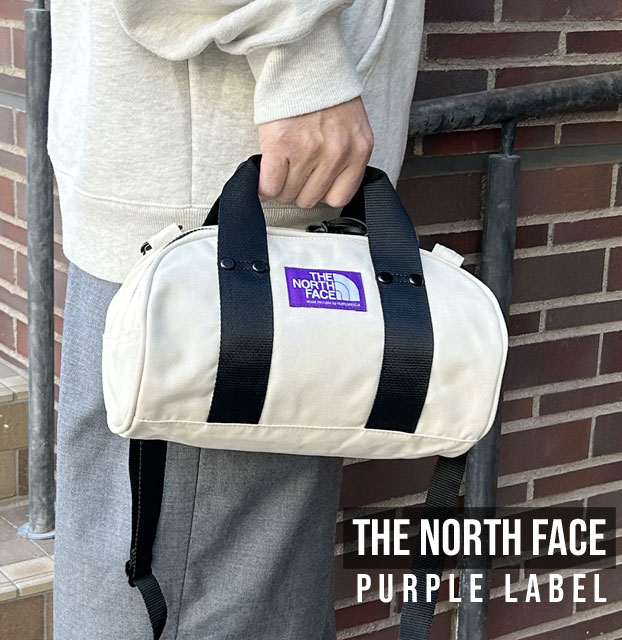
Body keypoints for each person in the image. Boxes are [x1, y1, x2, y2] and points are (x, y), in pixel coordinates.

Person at [47, 1, 425, 637]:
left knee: (249, 596)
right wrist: (300, 61)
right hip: (224, 212)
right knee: (201, 600)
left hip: (265, 196)